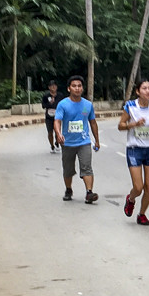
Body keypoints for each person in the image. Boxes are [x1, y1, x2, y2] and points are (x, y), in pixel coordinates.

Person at [119, 79, 149, 225]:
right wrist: (134, 124)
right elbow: (121, 125)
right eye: (144, 88)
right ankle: (130, 199)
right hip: (134, 149)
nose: (148, 91)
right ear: (138, 91)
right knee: (138, 187)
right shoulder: (130, 106)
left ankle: (142, 214)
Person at [53, 75, 100, 204]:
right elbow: (57, 121)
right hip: (67, 143)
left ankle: (89, 193)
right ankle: (68, 189)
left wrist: (97, 140)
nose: (77, 88)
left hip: (83, 141)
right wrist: (58, 133)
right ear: (69, 89)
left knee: (87, 167)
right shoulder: (63, 104)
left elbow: (93, 123)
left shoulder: (87, 105)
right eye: (74, 86)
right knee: (68, 170)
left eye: (79, 86)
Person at [41, 80, 61, 152]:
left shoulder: (60, 96)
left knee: (57, 131)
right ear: (49, 87)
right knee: (50, 132)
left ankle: (57, 143)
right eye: (52, 86)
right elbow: (43, 106)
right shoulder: (46, 96)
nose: (54, 87)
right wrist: (50, 104)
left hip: (58, 116)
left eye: (55, 86)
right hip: (49, 117)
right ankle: (52, 146)